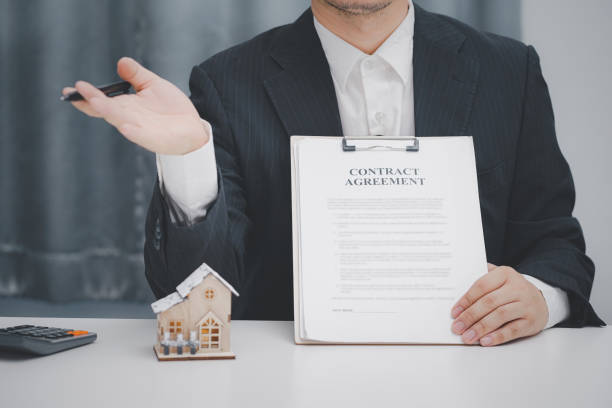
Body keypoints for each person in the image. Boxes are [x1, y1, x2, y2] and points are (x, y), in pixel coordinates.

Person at [63, 0, 604, 346]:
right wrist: (188, 156)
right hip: (292, 381)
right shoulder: (227, 82)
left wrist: (539, 297)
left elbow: (555, 243)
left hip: (481, 369)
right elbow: (198, 293)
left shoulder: (509, 70)